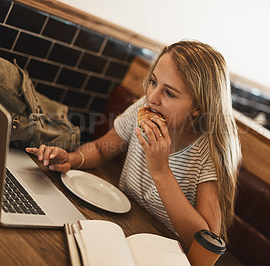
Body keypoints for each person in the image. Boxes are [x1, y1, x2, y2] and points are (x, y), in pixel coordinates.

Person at [26, 40, 241, 249]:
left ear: (198, 107)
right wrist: (71, 159)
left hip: (161, 252)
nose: (152, 97)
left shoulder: (209, 156)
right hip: (117, 230)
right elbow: (101, 150)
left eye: (169, 92)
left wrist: (161, 170)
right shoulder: (143, 109)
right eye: (153, 82)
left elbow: (206, 243)